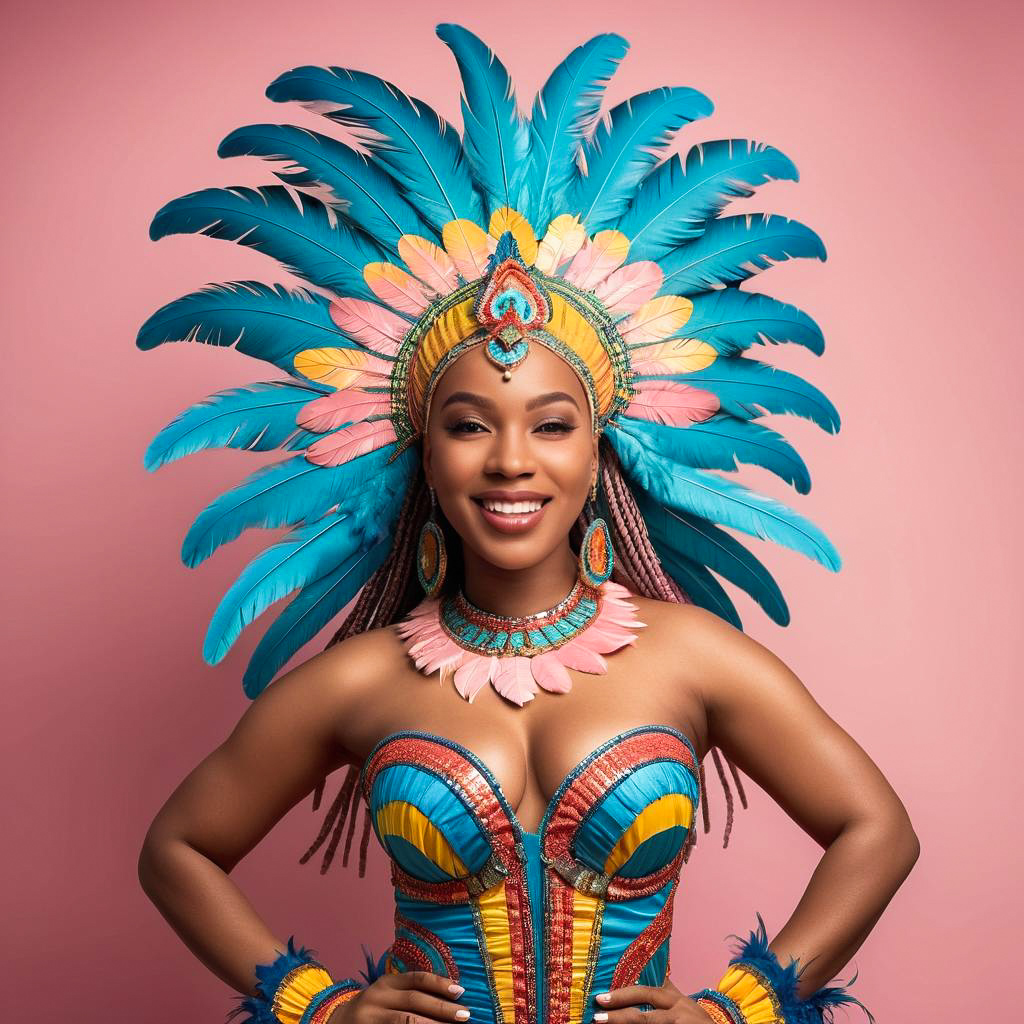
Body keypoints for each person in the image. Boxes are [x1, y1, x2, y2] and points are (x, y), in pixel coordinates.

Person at [136, 23, 918, 1024]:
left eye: (551, 425)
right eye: (468, 425)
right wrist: (315, 1006)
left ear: (600, 453)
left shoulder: (693, 660)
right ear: (423, 448)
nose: (511, 460)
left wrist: (741, 1008)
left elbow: (876, 828)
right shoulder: (362, 680)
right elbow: (178, 847)